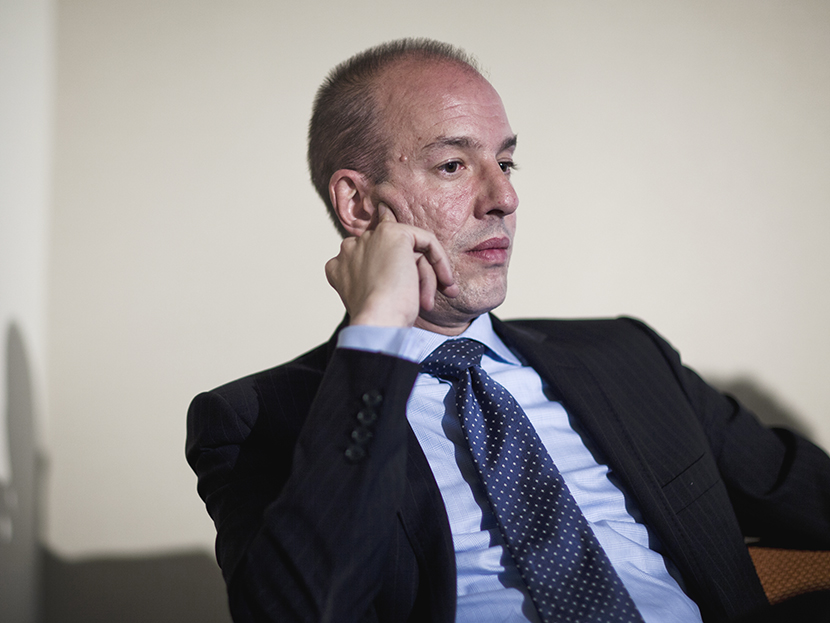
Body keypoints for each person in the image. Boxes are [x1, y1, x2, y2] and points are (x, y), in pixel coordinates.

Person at [186, 39, 830, 623]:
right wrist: (376, 330)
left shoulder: (628, 357)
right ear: (358, 204)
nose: (504, 198)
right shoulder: (256, 419)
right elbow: (299, 610)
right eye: (453, 166)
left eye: (506, 162)